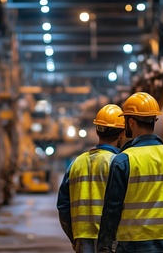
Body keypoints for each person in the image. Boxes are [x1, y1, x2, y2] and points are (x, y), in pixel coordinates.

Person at [97, 92, 163, 253]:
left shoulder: (124, 160)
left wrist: (104, 245)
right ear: (154, 121)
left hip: (133, 246)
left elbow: (112, 209)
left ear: (130, 121)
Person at [57, 104, 126, 253]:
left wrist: (74, 236)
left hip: (82, 236)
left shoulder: (76, 163)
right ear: (122, 133)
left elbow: (63, 206)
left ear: (97, 130)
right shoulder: (119, 163)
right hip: (111, 239)